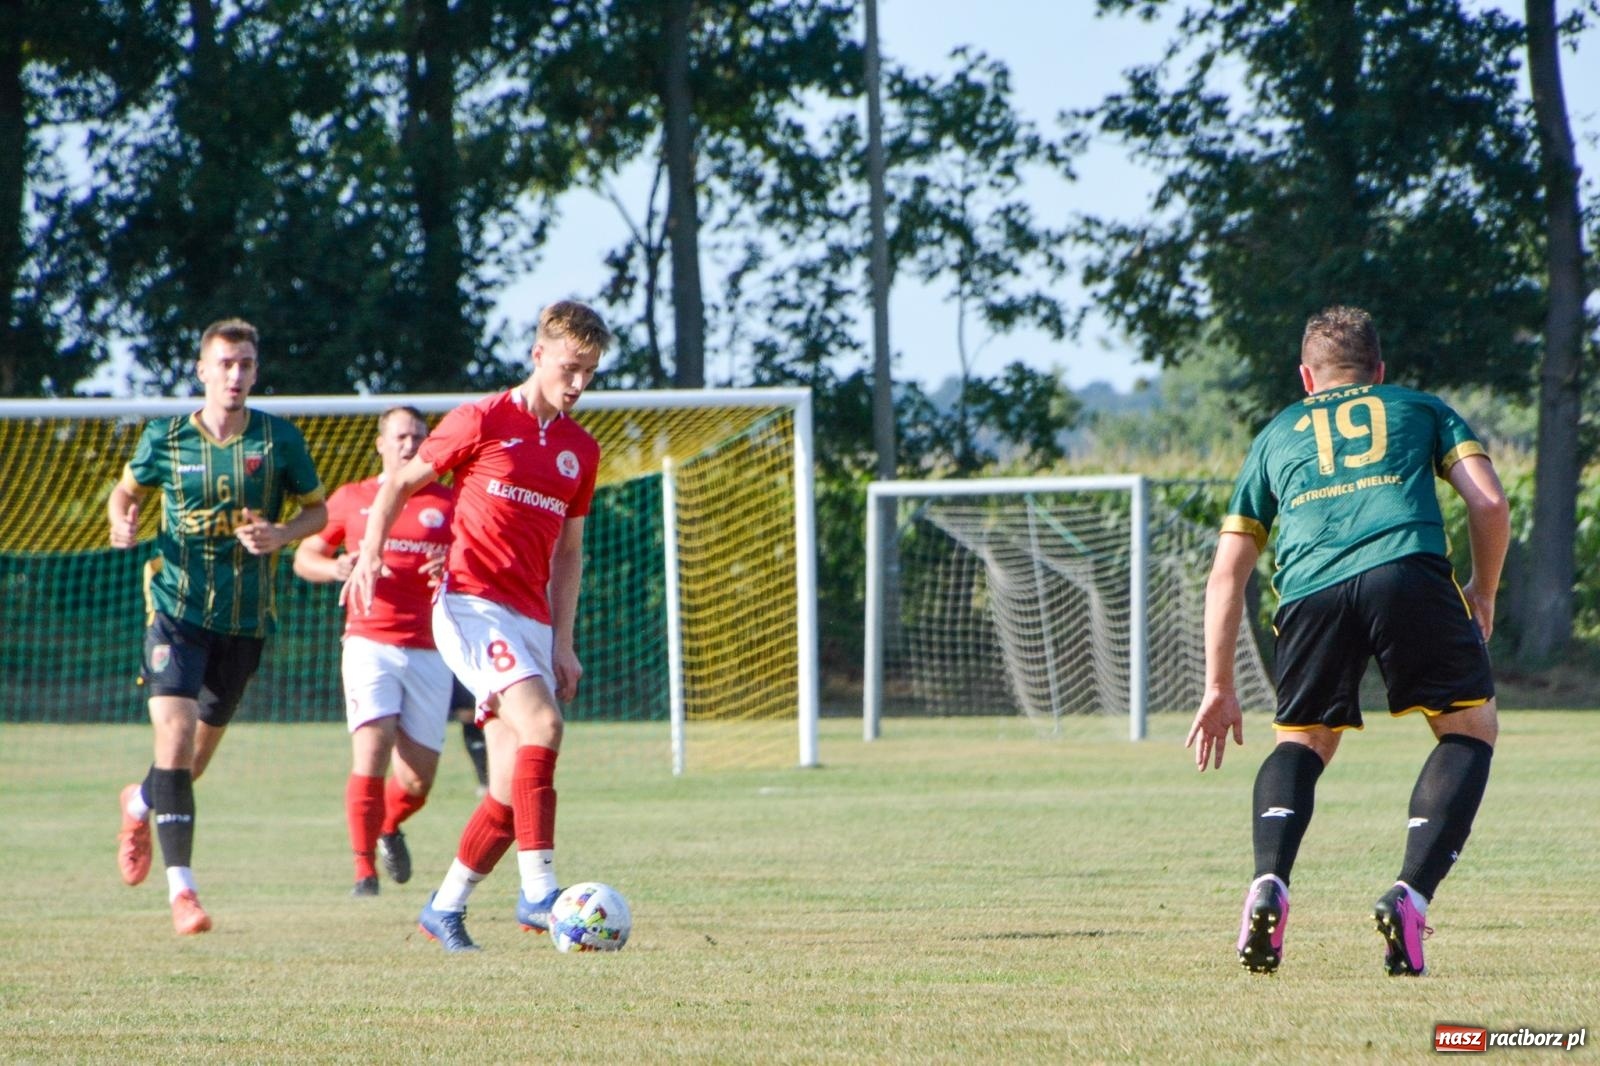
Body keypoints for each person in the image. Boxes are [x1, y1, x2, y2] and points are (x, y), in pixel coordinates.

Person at [1186, 306, 1509, 977]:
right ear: (1378, 370)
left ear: (1307, 378)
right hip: (1407, 573)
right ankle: (1411, 893)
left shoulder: (1277, 434)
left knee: (1302, 741)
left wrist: (1218, 686)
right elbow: (1489, 503)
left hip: (1311, 592)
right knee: (1468, 729)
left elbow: (1227, 573)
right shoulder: (1420, 407)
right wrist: (1483, 590)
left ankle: (1269, 883)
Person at [344, 300, 611, 952]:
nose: (578, 383)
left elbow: (570, 553)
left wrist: (563, 642)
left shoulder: (581, 450)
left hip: (530, 620)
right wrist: (372, 550)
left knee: (509, 789)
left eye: (590, 372)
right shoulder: (482, 418)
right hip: (470, 604)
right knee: (545, 726)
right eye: (570, 368)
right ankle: (539, 892)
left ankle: (444, 908)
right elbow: (399, 483)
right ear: (538, 354)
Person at [109, 318, 328, 935]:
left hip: (244, 620)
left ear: (256, 372)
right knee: (175, 740)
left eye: (246, 364)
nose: (235, 374)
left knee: (189, 765)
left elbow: (318, 512)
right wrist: (122, 520)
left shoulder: (279, 439)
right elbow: (125, 494)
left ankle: (138, 802)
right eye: (225, 363)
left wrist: (282, 533)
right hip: (175, 612)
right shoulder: (167, 437)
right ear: (202, 370)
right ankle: (184, 894)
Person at [293, 406, 457, 897]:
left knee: (418, 781)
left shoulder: (450, 501)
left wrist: (450, 570)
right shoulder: (353, 497)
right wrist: (337, 568)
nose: (410, 445)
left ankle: (387, 824)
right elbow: (305, 556)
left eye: (419, 437)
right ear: (381, 443)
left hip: (431, 648)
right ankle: (364, 873)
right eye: (401, 436)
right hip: (369, 640)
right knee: (373, 747)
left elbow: (475, 561)